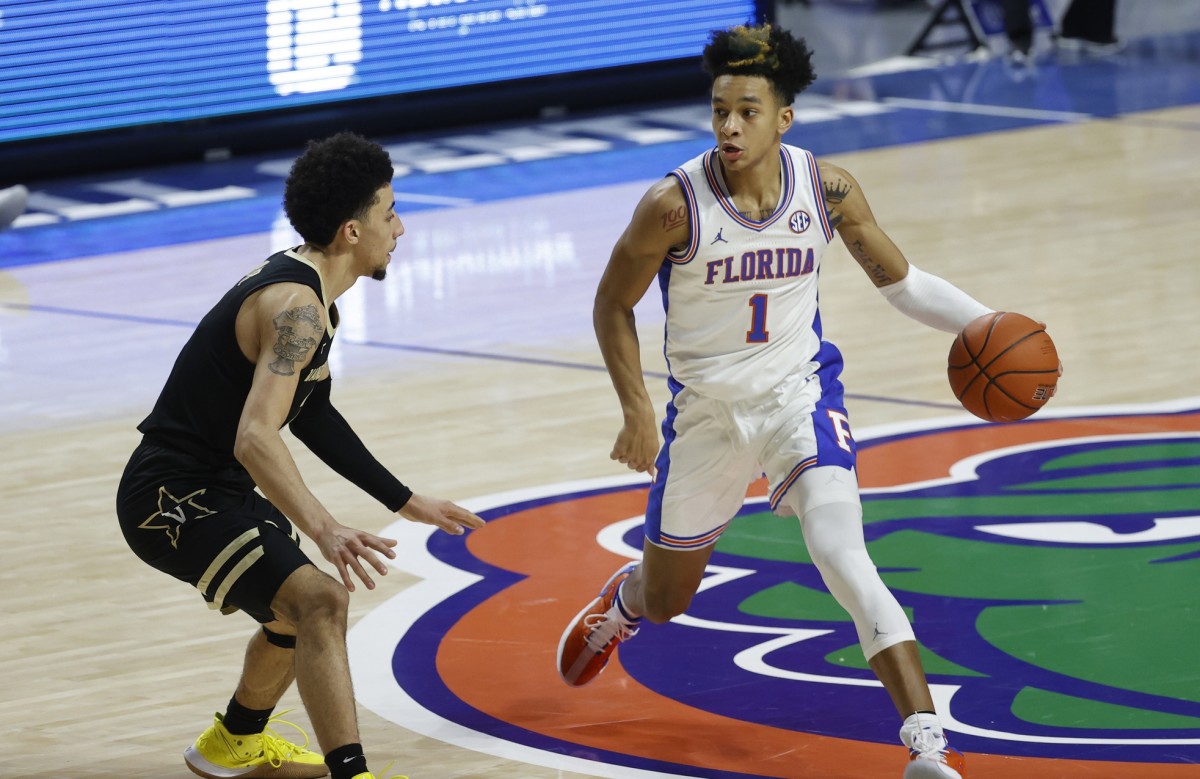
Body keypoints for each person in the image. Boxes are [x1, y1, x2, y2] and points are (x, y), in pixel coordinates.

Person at [556, 23, 998, 779]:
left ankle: (927, 744)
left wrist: (988, 322)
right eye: (719, 110)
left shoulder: (826, 189)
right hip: (707, 415)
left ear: (783, 119)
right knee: (668, 600)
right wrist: (635, 410)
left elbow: (904, 284)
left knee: (844, 555)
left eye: (747, 111)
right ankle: (625, 601)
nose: (729, 126)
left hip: (801, 396)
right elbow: (611, 304)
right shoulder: (673, 205)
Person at [116, 131, 484, 779]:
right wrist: (326, 527)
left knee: (295, 612)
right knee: (321, 602)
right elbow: (256, 436)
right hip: (173, 496)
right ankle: (353, 773)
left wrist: (404, 500)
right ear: (351, 230)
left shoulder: (308, 288)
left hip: (211, 486)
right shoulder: (298, 308)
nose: (400, 227)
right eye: (390, 213)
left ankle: (232, 742)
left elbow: (311, 412)